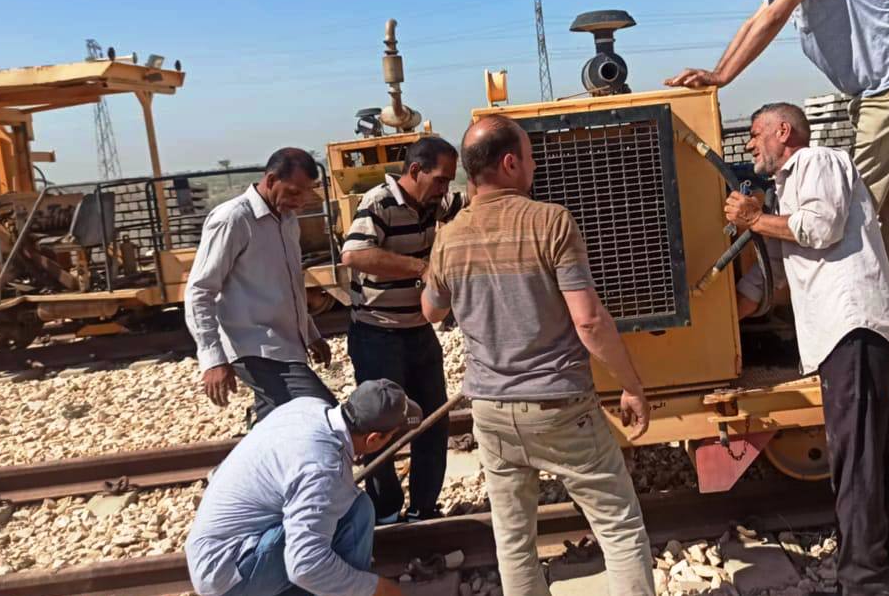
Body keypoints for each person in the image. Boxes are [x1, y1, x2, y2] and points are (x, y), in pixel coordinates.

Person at [421, 115, 654, 596]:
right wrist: (631, 385)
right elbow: (589, 321)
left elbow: (431, 310)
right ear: (510, 163)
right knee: (618, 526)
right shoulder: (550, 221)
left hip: (490, 409)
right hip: (560, 405)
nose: (534, 166)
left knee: (513, 539)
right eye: (529, 157)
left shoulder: (449, 236)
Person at [666, 0, 889, 324]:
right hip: (881, 93)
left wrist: (723, 77)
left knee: (849, 205)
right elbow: (752, 24)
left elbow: (774, 17)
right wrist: (714, 75)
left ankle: (857, 320)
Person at [725, 103, 889, 596]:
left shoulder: (819, 161)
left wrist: (754, 217)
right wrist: (720, 322)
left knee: (855, 461)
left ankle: (863, 582)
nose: (750, 144)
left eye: (755, 132)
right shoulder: (784, 193)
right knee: (880, 454)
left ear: (783, 131)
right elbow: (768, 276)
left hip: (853, 329)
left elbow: (820, 228)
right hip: (850, 336)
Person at [185, 378, 419, 596]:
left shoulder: (308, 406)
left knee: (356, 507)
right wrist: (377, 588)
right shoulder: (323, 468)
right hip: (227, 576)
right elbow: (305, 565)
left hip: (222, 550)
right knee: (353, 517)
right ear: (373, 439)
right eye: (392, 435)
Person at [341, 136, 463, 524]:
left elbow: (476, 200)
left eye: (449, 181)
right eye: (440, 179)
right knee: (381, 424)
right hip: (378, 335)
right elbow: (354, 254)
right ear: (415, 171)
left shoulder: (434, 202)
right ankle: (386, 511)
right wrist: (421, 268)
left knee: (432, 419)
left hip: (418, 332)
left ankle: (424, 507)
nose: (445, 188)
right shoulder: (379, 202)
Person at [186, 147, 335, 422]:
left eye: (305, 194)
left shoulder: (288, 221)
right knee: (319, 416)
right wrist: (213, 359)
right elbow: (200, 290)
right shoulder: (233, 219)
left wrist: (310, 333)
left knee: (279, 424)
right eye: (293, 193)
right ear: (271, 180)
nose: (300, 202)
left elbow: (288, 285)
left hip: (285, 346)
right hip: (254, 346)